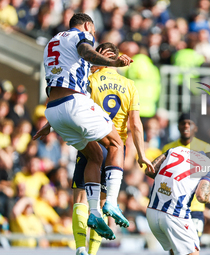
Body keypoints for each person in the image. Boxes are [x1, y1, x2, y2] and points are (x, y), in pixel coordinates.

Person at [33, 13, 134, 240]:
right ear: (88, 25)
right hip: (73, 104)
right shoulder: (81, 35)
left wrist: (51, 123)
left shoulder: (53, 41)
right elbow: (86, 52)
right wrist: (111, 62)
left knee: (95, 156)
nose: (93, 37)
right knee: (117, 143)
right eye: (94, 33)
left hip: (54, 110)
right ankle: (112, 203)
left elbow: (66, 74)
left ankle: (95, 213)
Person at [72, 42, 153, 255]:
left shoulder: (89, 80)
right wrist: (141, 154)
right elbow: (135, 124)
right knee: (100, 202)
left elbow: (74, 107)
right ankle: (92, 252)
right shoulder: (129, 85)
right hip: (115, 151)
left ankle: (80, 247)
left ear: (100, 58)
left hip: (92, 143)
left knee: (82, 199)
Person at [145, 147, 210, 255]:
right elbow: (201, 196)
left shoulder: (175, 150)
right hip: (175, 215)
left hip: (151, 212)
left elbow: (150, 170)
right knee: (193, 253)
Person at [162, 113, 210, 239]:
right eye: (183, 123)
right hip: (172, 206)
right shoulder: (169, 148)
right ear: (178, 126)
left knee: (193, 243)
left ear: (196, 128)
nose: (186, 126)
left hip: (195, 207)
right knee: (174, 247)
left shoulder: (205, 148)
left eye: (190, 123)